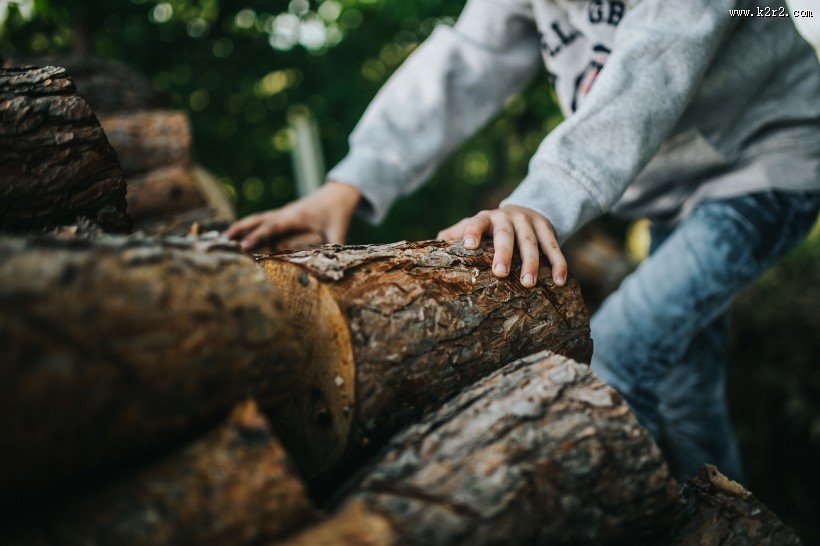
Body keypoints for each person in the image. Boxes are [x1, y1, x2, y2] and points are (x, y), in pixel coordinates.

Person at [226, 0, 820, 482]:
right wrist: (350, 182)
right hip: (677, 192)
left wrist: (542, 198)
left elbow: (655, 64)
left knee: (616, 359)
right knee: (683, 380)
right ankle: (729, 515)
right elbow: (464, 63)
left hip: (767, 169)